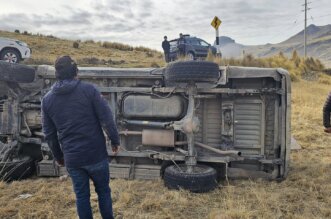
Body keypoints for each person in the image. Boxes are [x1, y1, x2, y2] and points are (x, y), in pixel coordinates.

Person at [42, 56, 120, 219]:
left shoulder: (47, 100)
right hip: (96, 155)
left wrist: (59, 156)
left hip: (73, 159)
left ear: (57, 74)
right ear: (76, 71)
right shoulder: (89, 90)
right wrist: (115, 140)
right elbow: (107, 118)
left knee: (82, 197)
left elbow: (49, 134)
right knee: (104, 192)